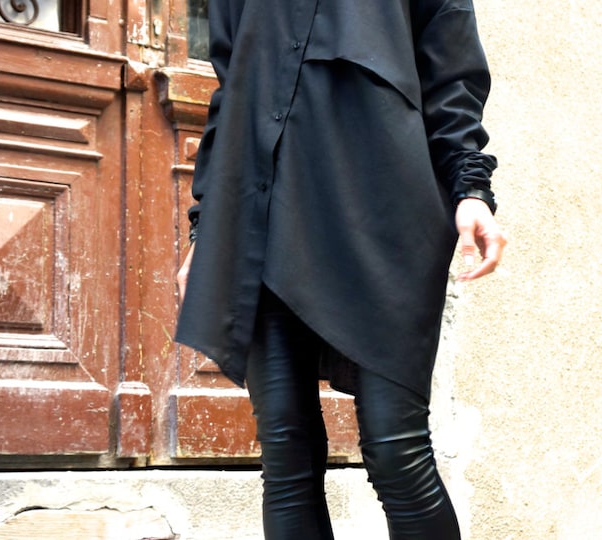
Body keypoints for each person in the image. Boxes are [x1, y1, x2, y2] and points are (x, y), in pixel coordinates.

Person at [175, 0, 506, 538]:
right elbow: (232, 91)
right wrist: (206, 228)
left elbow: (453, 76)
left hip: (381, 213)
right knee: (285, 452)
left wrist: (471, 189)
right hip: (260, 213)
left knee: (396, 449)